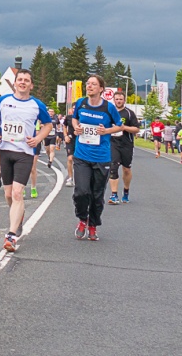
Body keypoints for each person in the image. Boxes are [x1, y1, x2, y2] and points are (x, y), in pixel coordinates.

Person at [0, 69, 52, 252]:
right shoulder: (3, 101)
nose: (22, 82)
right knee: (8, 195)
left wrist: (38, 139)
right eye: (20, 79)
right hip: (6, 151)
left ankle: (11, 235)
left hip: (24, 153)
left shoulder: (36, 105)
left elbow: (48, 125)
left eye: (26, 80)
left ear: (31, 85)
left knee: (17, 193)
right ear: (15, 83)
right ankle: (18, 217)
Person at [70, 75, 122, 242]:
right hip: (82, 156)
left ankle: (93, 225)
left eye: (93, 84)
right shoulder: (81, 103)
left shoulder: (109, 108)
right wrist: (76, 127)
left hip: (101, 157)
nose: (89, 86)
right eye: (88, 84)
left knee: (97, 194)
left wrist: (106, 131)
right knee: (81, 192)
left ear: (101, 89)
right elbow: (74, 118)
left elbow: (119, 126)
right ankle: (82, 219)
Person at [107, 91, 141, 205]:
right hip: (113, 143)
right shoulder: (109, 112)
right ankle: (114, 194)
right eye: (116, 99)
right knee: (113, 167)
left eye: (120, 99)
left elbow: (136, 129)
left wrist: (123, 127)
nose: (118, 101)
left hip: (126, 144)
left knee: (126, 169)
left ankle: (126, 191)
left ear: (124, 100)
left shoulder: (129, 113)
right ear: (114, 100)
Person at [63, 107, 77, 186]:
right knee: (70, 158)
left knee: (78, 160)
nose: (75, 110)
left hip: (80, 140)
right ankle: (70, 177)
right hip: (70, 139)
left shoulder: (82, 117)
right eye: (74, 108)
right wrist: (65, 136)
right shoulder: (68, 117)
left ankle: (77, 178)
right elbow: (64, 126)